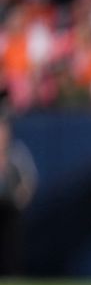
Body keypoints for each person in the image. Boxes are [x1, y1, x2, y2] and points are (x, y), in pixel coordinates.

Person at [0, 115, 37, 276]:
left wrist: (21, 196)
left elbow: (28, 180)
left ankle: (12, 275)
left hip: (10, 208)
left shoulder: (16, 153)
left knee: (11, 244)